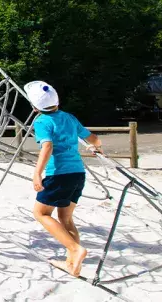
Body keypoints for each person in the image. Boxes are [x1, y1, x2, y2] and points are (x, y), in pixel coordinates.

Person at [25, 81, 104, 277]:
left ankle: (75, 250)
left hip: (58, 174)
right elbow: (94, 139)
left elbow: (47, 146)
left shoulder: (42, 121)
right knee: (66, 218)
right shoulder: (69, 118)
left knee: (41, 213)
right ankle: (72, 264)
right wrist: (96, 147)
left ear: (34, 107)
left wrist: (37, 173)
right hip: (77, 174)